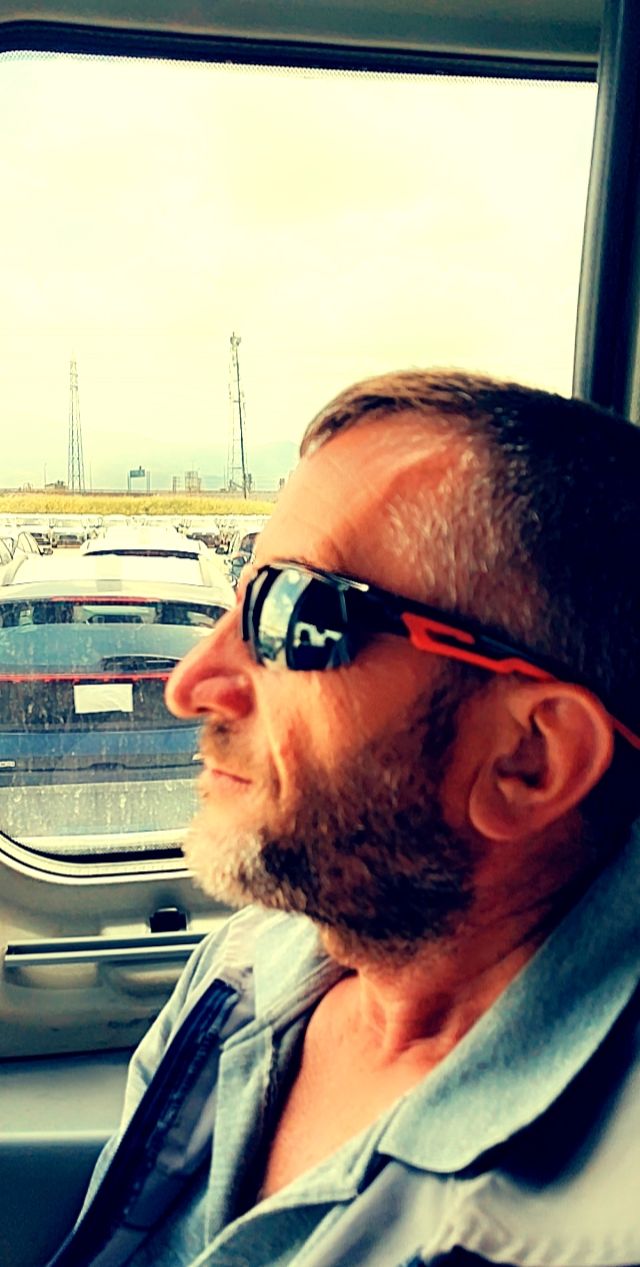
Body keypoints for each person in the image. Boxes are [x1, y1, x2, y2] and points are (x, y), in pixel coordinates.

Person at [48, 370, 640, 1267]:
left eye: (292, 613)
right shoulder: (247, 968)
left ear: (529, 758)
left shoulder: (595, 1221)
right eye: (239, 594)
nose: (190, 682)